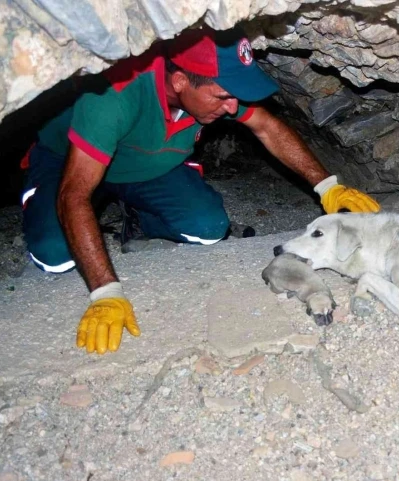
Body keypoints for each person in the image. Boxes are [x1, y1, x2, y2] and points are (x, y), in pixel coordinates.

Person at [20, 26, 380, 355]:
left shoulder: (213, 93)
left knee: (207, 228)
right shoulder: (113, 97)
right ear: (179, 81)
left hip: (147, 166)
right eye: (223, 96)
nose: (233, 107)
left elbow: (267, 127)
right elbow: (74, 195)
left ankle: (140, 219)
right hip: (71, 162)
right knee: (56, 256)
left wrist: (328, 187)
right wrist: (105, 291)